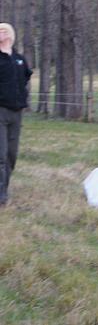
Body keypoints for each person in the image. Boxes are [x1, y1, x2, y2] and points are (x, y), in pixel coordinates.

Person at [0, 23, 32, 207]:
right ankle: (1, 196)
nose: (1, 33)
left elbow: (26, 78)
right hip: (0, 110)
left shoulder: (19, 59)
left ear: (10, 35)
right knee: (1, 154)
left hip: (16, 111)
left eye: (3, 30)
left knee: (11, 154)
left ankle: (4, 188)